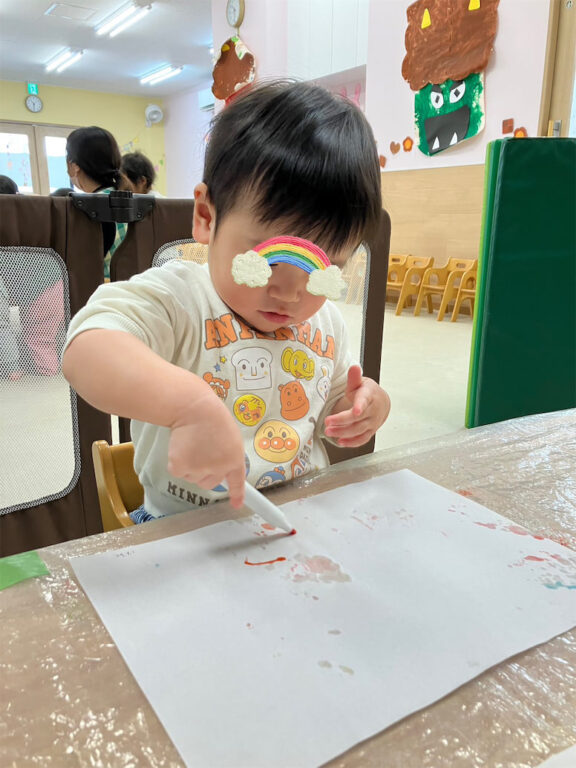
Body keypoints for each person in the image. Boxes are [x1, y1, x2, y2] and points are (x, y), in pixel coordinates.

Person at [62, 81, 391, 521]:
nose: (290, 293)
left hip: (299, 517)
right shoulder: (179, 297)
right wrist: (187, 406)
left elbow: (330, 401)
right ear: (206, 216)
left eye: (323, 270)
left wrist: (359, 409)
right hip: (183, 526)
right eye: (268, 260)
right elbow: (86, 349)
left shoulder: (325, 321)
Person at [66, 126, 128, 278]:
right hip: (135, 287)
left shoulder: (87, 209)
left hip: (100, 289)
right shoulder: (132, 200)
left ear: (74, 166)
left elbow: (79, 266)